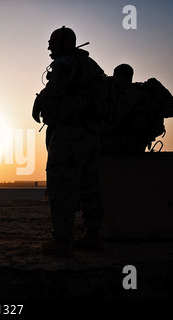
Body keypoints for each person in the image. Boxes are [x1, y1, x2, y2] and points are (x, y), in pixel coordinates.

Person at [32, 26, 105, 257]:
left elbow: (57, 87)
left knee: (61, 185)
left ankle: (63, 242)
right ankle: (93, 236)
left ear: (64, 43)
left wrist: (40, 101)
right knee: (89, 187)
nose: (49, 46)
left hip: (70, 134)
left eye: (52, 41)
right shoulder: (91, 66)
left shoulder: (66, 62)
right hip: (91, 135)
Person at [100, 64, 149, 154]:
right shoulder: (135, 92)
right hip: (130, 141)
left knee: (89, 144)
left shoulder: (131, 95)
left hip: (130, 143)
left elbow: (113, 120)